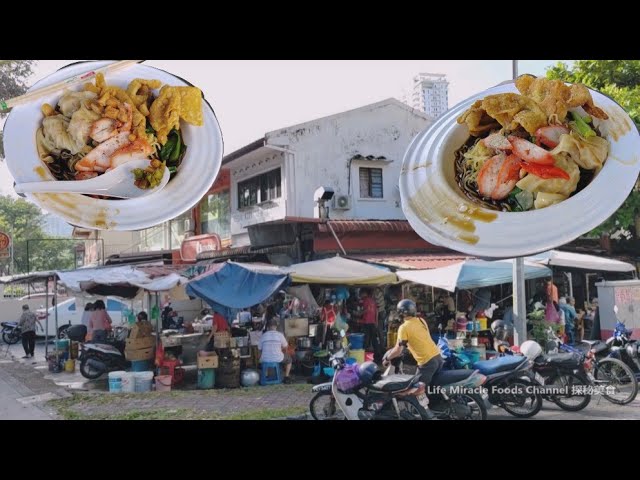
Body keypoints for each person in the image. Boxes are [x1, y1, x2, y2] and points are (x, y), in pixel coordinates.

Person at [382, 299, 442, 417]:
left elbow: (398, 349)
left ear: (401, 313)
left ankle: (427, 415)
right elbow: (420, 339)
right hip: (438, 358)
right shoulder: (421, 321)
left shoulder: (404, 328)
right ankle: (433, 407)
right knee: (429, 388)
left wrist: (387, 358)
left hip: (427, 363)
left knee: (415, 391)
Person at [258, 318, 292, 384]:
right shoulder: (280, 335)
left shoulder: (263, 336)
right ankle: (286, 377)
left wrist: (260, 358)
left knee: (264, 359)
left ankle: (266, 376)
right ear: (276, 326)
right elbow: (285, 346)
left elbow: (259, 349)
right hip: (278, 358)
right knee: (289, 359)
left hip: (265, 359)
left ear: (267, 327)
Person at [358, 288, 381, 356]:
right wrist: (376, 321)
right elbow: (377, 311)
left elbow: (366, 310)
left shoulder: (365, 300)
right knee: (374, 339)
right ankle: (378, 354)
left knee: (366, 339)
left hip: (366, 322)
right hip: (372, 322)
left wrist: (360, 313)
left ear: (364, 293)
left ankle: (363, 354)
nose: (360, 295)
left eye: (360, 293)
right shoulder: (373, 300)